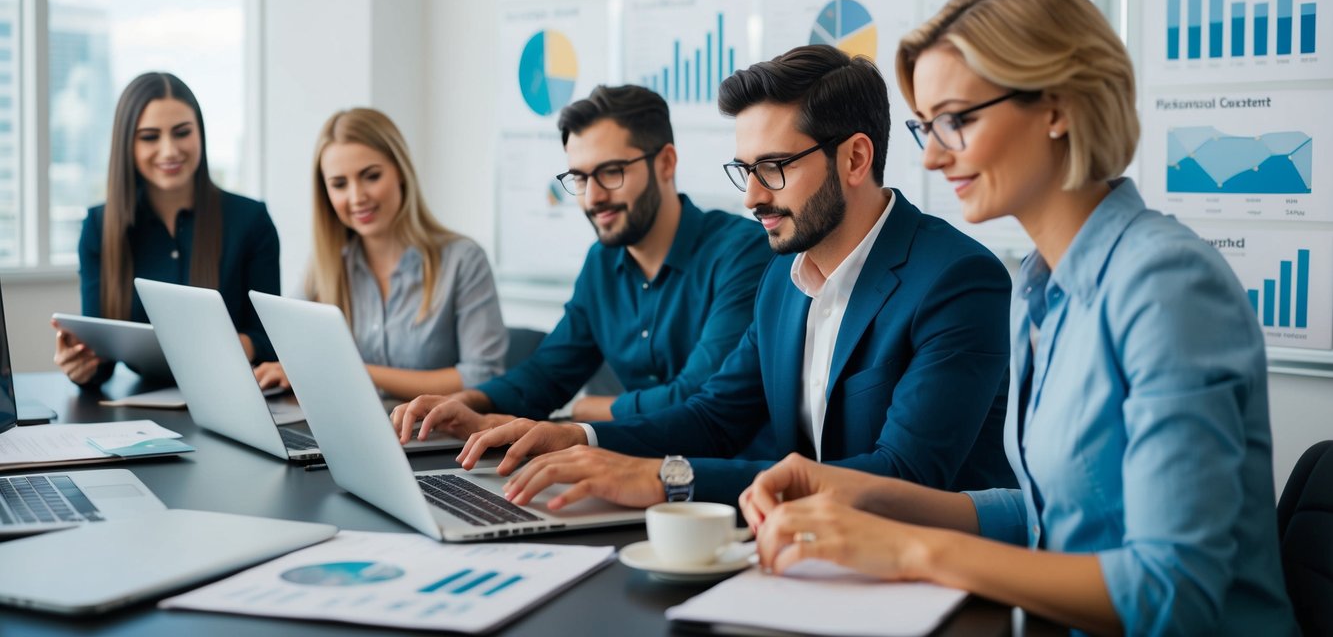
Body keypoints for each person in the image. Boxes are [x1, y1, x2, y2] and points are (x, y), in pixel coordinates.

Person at [737, 0, 1299, 636]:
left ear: (1056, 106)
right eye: (926, 128)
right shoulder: (1038, 286)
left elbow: (1170, 591)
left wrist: (912, 550)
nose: (934, 158)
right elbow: (1043, 517)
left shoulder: (1165, 283)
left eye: (956, 120)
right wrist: (850, 492)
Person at [406, 45, 1015, 507]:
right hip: (807, 549)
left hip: (934, 582)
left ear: (855, 158)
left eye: (772, 168)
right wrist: (578, 439)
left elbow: (906, 478)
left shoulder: (956, 279)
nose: (751, 196)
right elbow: (714, 416)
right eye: (743, 169)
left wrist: (669, 478)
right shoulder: (784, 277)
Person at [389, 84, 772, 424]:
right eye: (580, 177)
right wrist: (469, 402)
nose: (593, 197)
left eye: (610, 172)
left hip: (729, 487)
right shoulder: (602, 263)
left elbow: (698, 395)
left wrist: (594, 410)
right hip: (630, 467)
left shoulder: (740, 252)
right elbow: (549, 373)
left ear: (666, 163)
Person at [252, 108, 506, 399]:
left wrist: (351, 371)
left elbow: (483, 376)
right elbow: (294, 355)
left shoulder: (463, 260)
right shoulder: (325, 266)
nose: (357, 197)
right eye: (339, 184)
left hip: (435, 437)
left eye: (371, 176)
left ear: (399, 171)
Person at [53, 72, 280, 386]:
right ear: (127, 145)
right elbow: (100, 362)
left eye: (182, 132)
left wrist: (230, 348)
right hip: (140, 407)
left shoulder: (251, 220)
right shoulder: (99, 227)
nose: (170, 150)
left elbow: (272, 342)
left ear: (200, 133)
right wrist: (81, 366)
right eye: (149, 137)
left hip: (232, 392)